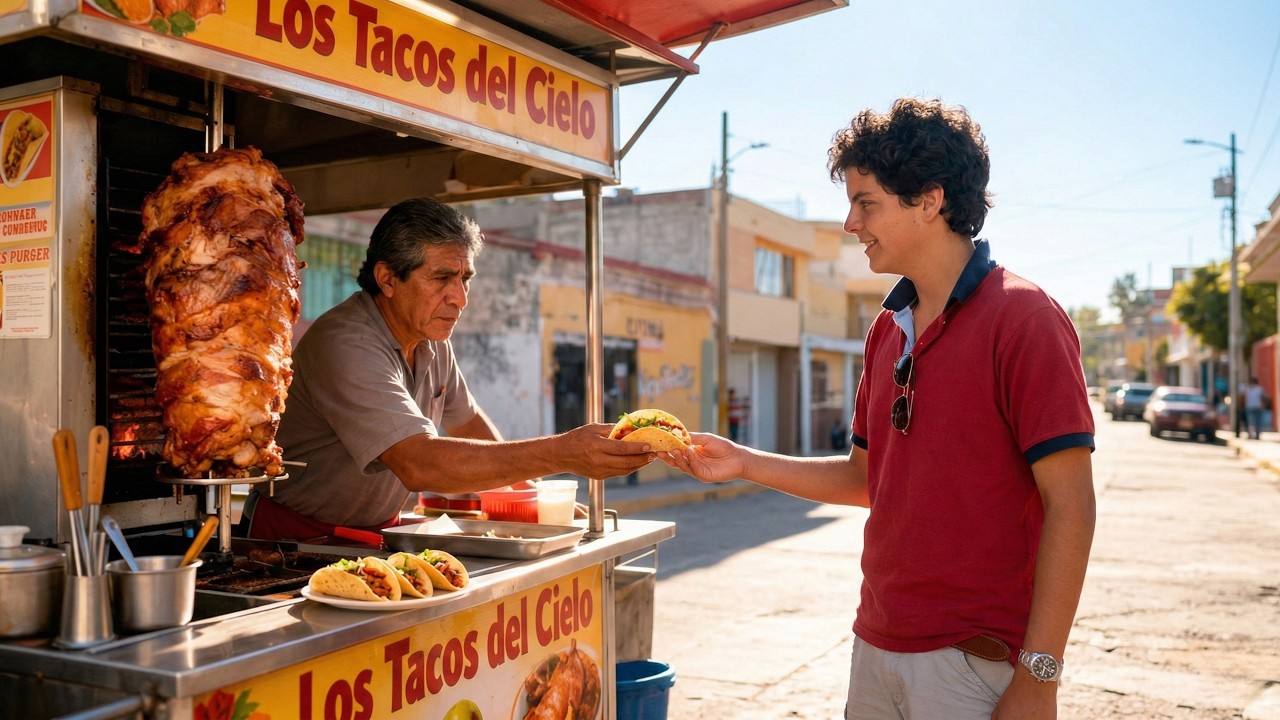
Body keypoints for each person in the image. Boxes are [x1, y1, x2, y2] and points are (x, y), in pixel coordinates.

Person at [662, 98, 1096, 719]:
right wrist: (742, 463)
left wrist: (1041, 676)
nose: (849, 223)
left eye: (866, 203)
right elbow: (865, 478)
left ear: (929, 201)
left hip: (975, 663)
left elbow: (1072, 505)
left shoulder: (1025, 319)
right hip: (876, 645)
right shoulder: (888, 328)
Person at [245, 198, 655, 541]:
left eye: (465, 278)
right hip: (291, 542)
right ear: (387, 278)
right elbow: (419, 463)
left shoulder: (429, 338)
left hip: (369, 536)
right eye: (442, 278)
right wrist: (564, 452)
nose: (459, 298)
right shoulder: (346, 342)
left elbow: (468, 422)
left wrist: (530, 497)